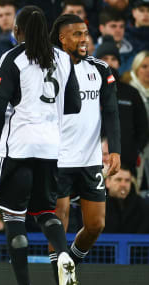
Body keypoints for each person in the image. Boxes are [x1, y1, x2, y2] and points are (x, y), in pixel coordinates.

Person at [0, 6, 81, 285]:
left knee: (14, 214)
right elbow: (74, 105)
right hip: (52, 146)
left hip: (19, 145)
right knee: (45, 210)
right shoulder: (64, 59)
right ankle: (65, 255)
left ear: (17, 31)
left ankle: (23, 282)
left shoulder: (13, 57)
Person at [48, 14, 121, 278]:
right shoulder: (48, 69)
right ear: (61, 38)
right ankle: (60, 276)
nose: (83, 39)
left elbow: (111, 111)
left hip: (90, 159)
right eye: (76, 34)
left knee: (96, 225)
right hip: (58, 158)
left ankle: (69, 266)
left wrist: (115, 150)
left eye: (85, 33)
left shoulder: (100, 69)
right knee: (60, 217)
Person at [94, 37, 149, 173]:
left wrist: (134, 150)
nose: (109, 63)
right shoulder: (86, 89)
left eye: (113, 59)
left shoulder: (131, 93)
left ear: (119, 63)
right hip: (92, 161)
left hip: (126, 163)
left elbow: (143, 127)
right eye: (105, 59)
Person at [103, 166, 149, 233]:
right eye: (118, 180)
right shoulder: (98, 206)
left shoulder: (143, 207)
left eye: (127, 180)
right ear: (107, 182)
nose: (123, 184)